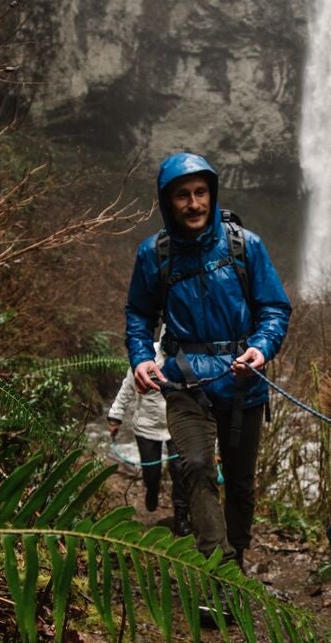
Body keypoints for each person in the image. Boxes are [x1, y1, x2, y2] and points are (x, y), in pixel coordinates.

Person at [125, 151, 291, 569]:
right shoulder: (154, 254)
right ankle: (216, 568)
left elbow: (274, 308)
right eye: (183, 195)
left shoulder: (245, 246)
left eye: (201, 193)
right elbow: (139, 315)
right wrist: (142, 357)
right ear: (168, 201)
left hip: (242, 381)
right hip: (183, 381)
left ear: (213, 194)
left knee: (239, 484)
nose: (194, 204)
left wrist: (261, 348)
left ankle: (235, 560)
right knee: (196, 466)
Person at [106, 349, 191, 534]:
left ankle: (181, 517)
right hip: (146, 427)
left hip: (178, 425)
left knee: (180, 470)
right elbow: (127, 388)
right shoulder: (145, 354)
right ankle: (152, 489)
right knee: (151, 473)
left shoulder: (191, 355)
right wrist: (115, 417)